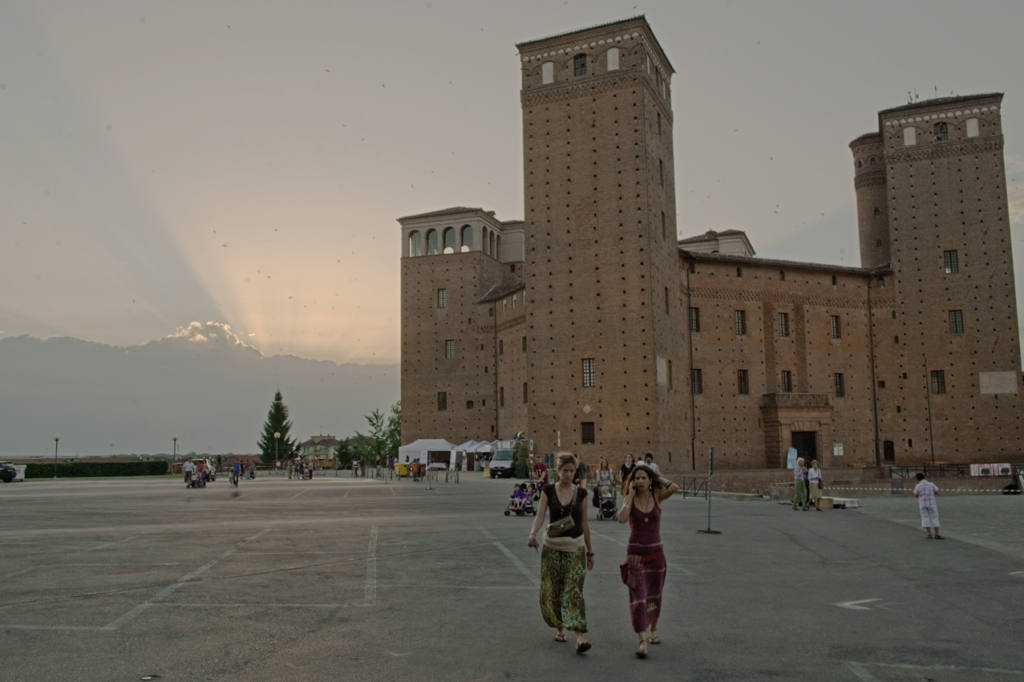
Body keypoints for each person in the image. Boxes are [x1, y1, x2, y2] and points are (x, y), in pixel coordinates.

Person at [527, 452, 594, 655]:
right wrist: (532, 534)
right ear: (558, 471)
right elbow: (540, 516)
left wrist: (590, 552)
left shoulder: (581, 493)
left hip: (575, 547)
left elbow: (584, 523)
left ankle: (580, 636)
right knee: (553, 590)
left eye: (572, 471)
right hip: (552, 547)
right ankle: (560, 628)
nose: (569, 474)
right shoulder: (548, 490)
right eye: (565, 470)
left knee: (573, 591)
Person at [618, 464, 681, 658]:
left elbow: (675, 487)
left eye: (643, 477)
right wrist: (628, 497)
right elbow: (621, 518)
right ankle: (642, 640)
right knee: (638, 598)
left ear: (649, 480)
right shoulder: (630, 498)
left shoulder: (656, 496)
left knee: (654, 595)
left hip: (656, 556)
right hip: (636, 555)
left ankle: (653, 630)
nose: (639, 481)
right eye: (636, 478)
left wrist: (657, 477)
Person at [913, 472, 942, 539]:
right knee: (934, 517)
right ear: (924, 477)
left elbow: (916, 495)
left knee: (925, 518)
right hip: (932, 504)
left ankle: (929, 534)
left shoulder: (918, 485)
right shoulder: (931, 484)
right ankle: (936, 534)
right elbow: (936, 492)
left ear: (917, 479)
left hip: (922, 504)